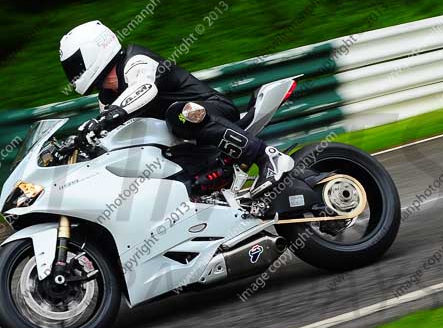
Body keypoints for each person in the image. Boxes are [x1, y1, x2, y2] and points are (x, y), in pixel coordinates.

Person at [59, 20, 294, 196]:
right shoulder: (107, 98)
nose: (74, 72)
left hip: (210, 111)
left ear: (94, 52)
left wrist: (107, 118)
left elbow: (143, 90)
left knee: (177, 114)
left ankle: (266, 158)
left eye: (76, 64)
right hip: (180, 140)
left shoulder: (135, 61)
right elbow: (111, 134)